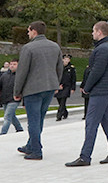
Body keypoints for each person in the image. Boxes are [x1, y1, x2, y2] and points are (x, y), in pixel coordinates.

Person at [66, 21, 108, 167]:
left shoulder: (102, 49)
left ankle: (85, 156)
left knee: (91, 123)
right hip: (107, 89)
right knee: (107, 120)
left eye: (93, 31)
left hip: (101, 90)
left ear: (99, 32)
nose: (92, 34)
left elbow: (97, 71)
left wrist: (87, 87)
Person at [14, 21, 64, 160]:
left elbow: (22, 72)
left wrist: (17, 91)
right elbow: (59, 68)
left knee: (33, 120)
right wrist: (56, 83)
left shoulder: (28, 48)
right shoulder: (55, 46)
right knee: (40, 118)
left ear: (34, 31)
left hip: (33, 89)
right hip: (49, 87)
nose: (27, 33)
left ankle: (36, 150)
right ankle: (31, 145)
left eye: (28, 31)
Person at [1, 60, 24, 134]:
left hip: (14, 99)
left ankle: (3, 132)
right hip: (5, 98)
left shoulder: (20, 76)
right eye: (11, 64)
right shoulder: (4, 75)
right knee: (11, 115)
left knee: (7, 116)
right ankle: (19, 128)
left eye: (14, 64)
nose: (12, 66)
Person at [56, 54, 77, 120]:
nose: (66, 60)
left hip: (67, 86)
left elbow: (73, 79)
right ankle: (65, 112)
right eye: (65, 59)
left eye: (68, 59)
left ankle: (59, 115)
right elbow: (56, 77)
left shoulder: (71, 68)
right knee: (59, 100)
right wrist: (57, 85)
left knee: (63, 100)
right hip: (59, 86)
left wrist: (73, 88)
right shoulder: (58, 67)